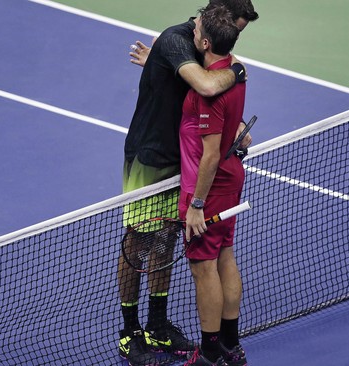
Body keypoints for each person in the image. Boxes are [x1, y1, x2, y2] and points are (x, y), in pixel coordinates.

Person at [118, 1, 259, 366]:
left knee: (165, 242)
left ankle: (157, 324)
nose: (236, 35)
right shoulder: (178, 40)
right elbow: (207, 83)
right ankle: (130, 332)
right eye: (234, 27)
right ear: (214, 18)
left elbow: (212, 89)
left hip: (183, 164)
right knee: (138, 245)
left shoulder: (205, 47)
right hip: (149, 160)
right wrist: (239, 71)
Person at [178, 6, 249, 366]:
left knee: (203, 267)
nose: (192, 32)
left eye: (197, 30)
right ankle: (231, 347)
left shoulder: (208, 93)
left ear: (205, 42)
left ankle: (208, 354)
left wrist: (196, 204)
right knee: (225, 256)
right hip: (232, 176)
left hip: (210, 184)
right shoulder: (235, 70)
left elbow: (208, 155)